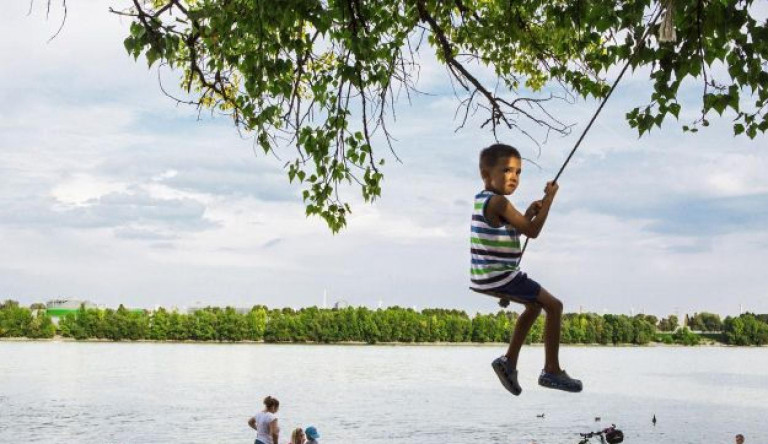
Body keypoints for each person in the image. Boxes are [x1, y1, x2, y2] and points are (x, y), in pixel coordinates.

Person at [471, 143, 582, 395]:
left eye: (518, 172)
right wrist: (550, 199)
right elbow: (532, 232)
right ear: (486, 174)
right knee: (555, 306)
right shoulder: (499, 202)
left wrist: (530, 212)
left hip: (486, 276)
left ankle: (509, 362)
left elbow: (517, 227)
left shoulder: (483, 200)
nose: (514, 177)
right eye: (507, 170)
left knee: (534, 306)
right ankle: (551, 370)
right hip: (500, 276)